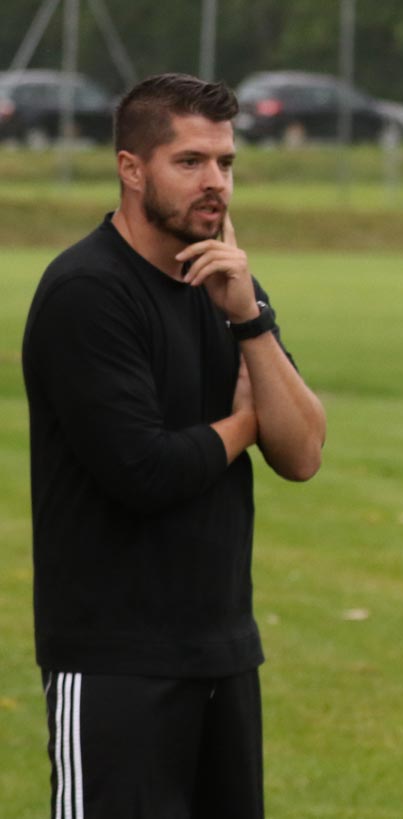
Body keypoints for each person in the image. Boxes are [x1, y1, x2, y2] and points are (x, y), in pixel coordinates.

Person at [22, 73, 326, 819]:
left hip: (223, 652)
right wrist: (243, 423)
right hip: (114, 663)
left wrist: (251, 320)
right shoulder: (87, 292)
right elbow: (144, 471)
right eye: (190, 161)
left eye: (225, 162)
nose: (215, 181)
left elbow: (302, 454)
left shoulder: (228, 285)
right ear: (131, 169)